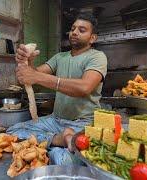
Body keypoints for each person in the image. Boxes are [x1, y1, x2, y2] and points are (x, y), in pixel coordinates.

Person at [7, 13, 107, 165]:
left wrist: (35, 76)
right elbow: (33, 76)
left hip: (82, 123)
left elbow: (84, 87)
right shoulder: (60, 57)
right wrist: (27, 62)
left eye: (81, 30)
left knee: (62, 161)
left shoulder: (97, 57)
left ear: (92, 38)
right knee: (12, 132)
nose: (74, 32)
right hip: (55, 120)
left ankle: (54, 145)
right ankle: (58, 139)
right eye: (73, 28)